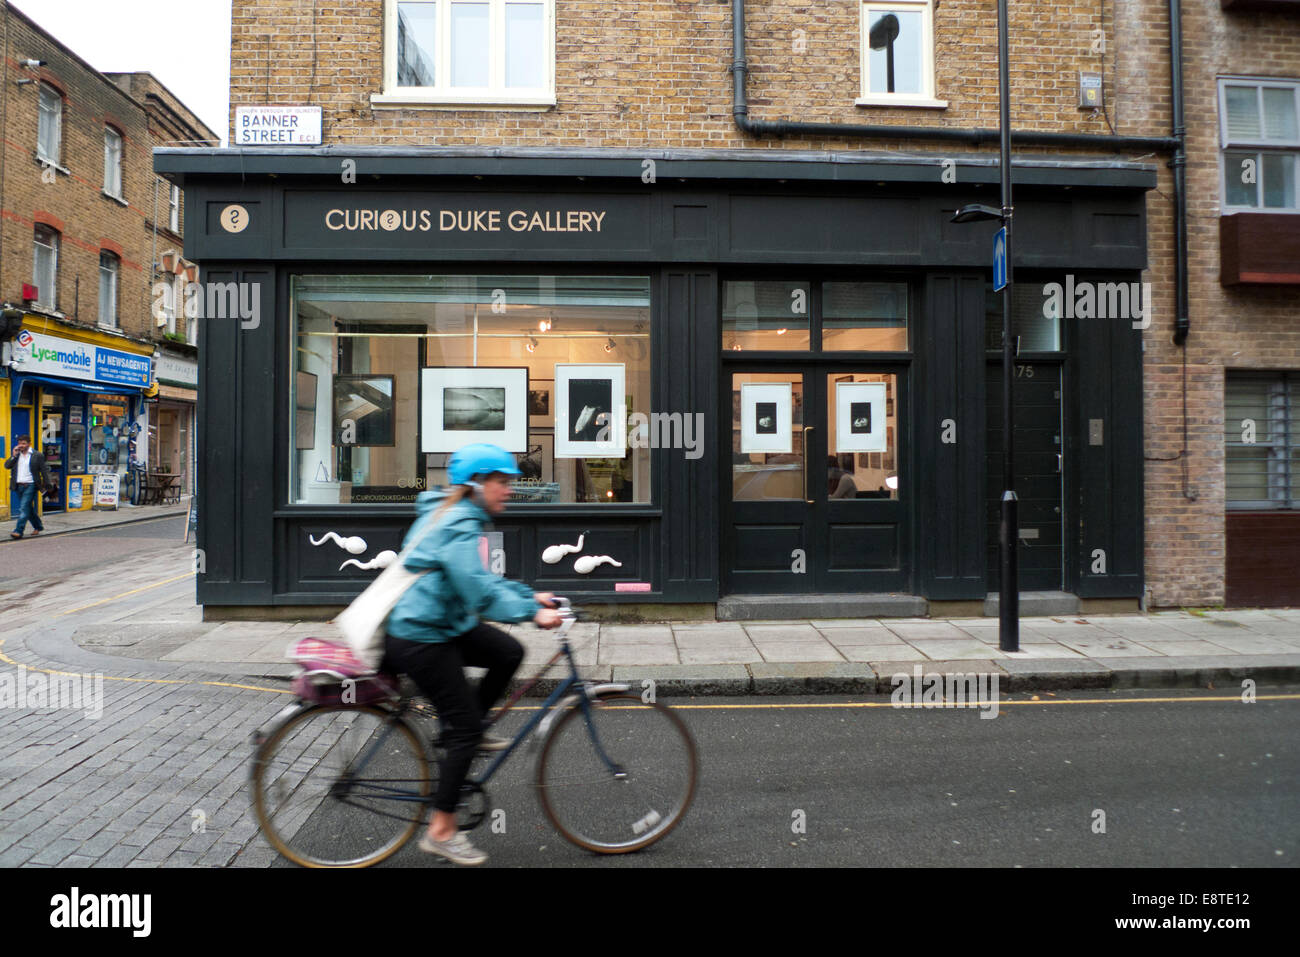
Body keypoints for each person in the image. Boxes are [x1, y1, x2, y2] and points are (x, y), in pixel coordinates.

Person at [383, 443, 562, 866]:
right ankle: (442, 830)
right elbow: (477, 592)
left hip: (442, 624)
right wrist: (532, 613)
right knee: (463, 729)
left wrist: (527, 595)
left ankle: (465, 731)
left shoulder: (460, 515)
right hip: (422, 637)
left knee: (506, 651)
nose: (509, 490)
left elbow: (480, 580)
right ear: (475, 484)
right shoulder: (458, 523)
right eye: (501, 482)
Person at [6, 435, 51, 540]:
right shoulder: (17, 455)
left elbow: (43, 470)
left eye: (23, 443)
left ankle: (18, 530)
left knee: (23, 508)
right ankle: (38, 526)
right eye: (20, 443)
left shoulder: (37, 455)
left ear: (29, 444)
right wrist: (13, 455)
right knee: (27, 509)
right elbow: (7, 466)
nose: (21, 445)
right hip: (18, 486)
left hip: (31, 485)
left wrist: (47, 484)